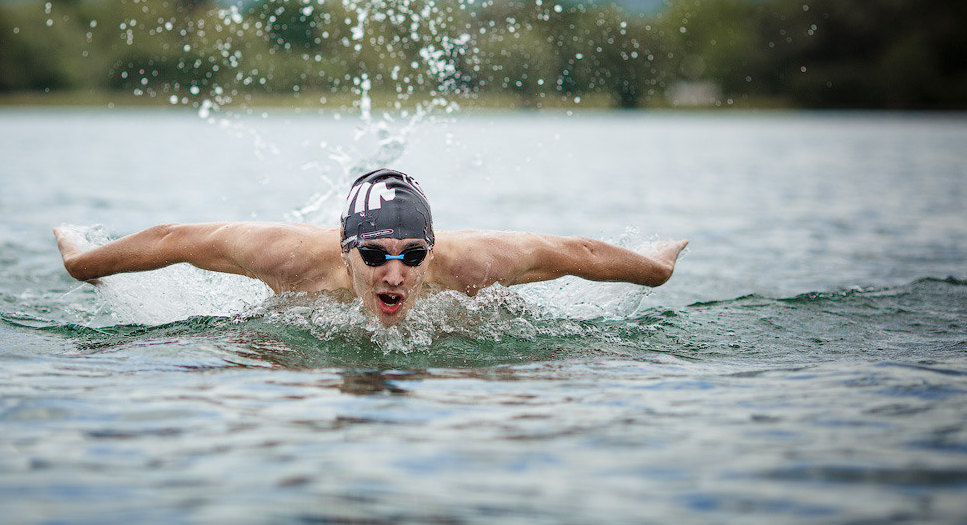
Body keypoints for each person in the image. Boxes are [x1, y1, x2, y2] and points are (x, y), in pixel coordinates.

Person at [54, 168, 688, 327]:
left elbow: (577, 252)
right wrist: (84, 262)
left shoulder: (473, 262)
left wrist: (655, 269)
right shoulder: (286, 256)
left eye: (413, 255)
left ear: (431, 251)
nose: (395, 272)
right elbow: (177, 240)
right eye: (377, 254)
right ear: (343, 249)